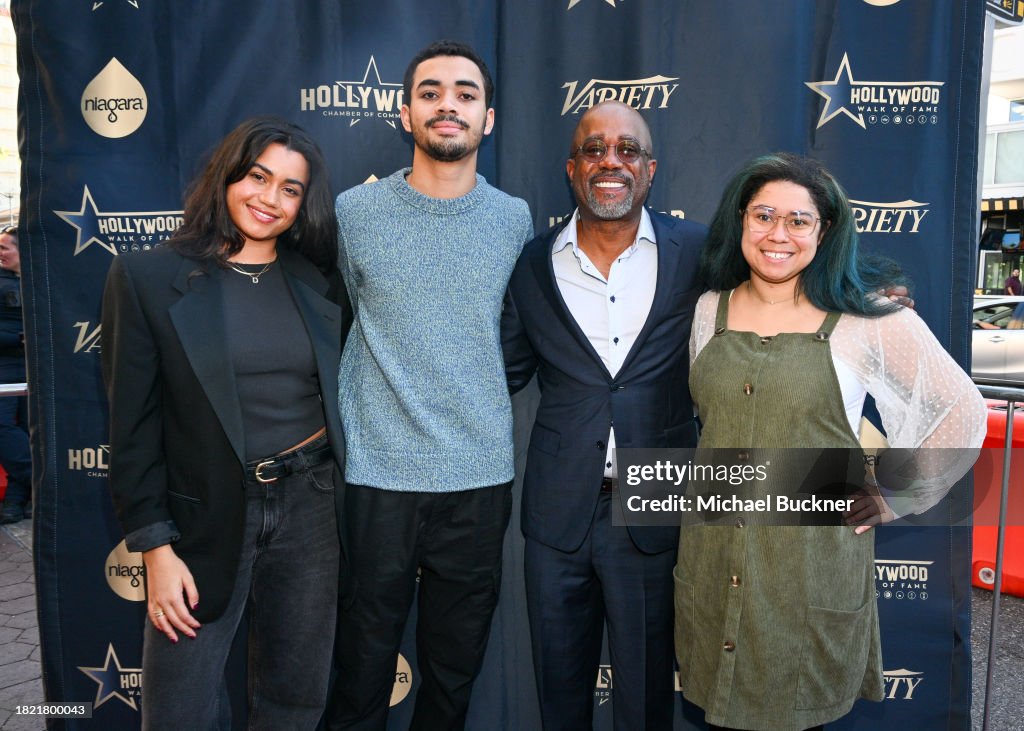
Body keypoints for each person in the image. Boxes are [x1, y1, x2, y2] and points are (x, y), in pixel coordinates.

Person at [675, 152, 986, 731]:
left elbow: (960, 411)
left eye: (799, 220)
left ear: (825, 231)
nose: (778, 234)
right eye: (764, 214)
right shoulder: (706, 311)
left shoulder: (866, 319)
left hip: (808, 567)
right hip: (713, 559)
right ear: (740, 220)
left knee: (799, 714)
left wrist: (893, 493)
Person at [101, 117, 350, 730]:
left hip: (313, 505)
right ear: (227, 175)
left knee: (296, 695)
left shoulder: (319, 278)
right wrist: (156, 549)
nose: (270, 199)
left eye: (290, 189)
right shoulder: (147, 279)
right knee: (179, 706)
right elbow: (131, 431)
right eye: (258, 177)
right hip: (201, 511)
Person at [326, 41, 533, 731]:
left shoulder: (514, 219)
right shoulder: (353, 215)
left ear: (489, 117)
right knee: (359, 669)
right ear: (405, 110)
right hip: (376, 475)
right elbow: (334, 322)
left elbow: (512, 338)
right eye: (432, 91)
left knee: (452, 675)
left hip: (478, 477)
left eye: (466, 94)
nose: (449, 104)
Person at [502, 100, 707, 730]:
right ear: (572, 169)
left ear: (650, 169)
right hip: (557, 509)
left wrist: (869, 293)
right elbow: (501, 374)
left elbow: (780, 289)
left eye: (627, 150)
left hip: (656, 501)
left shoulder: (698, 250)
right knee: (559, 695)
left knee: (647, 700)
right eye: (594, 149)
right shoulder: (531, 264)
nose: (610, 161)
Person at [0, 226, 31, 524]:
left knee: (30, 431)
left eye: (5, 247)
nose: (0, 253)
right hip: (5, 367)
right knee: (3, 428)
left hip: (35, 367)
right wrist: (19, 336)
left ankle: (16, 499)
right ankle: (39, 479)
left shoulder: (40, 281)